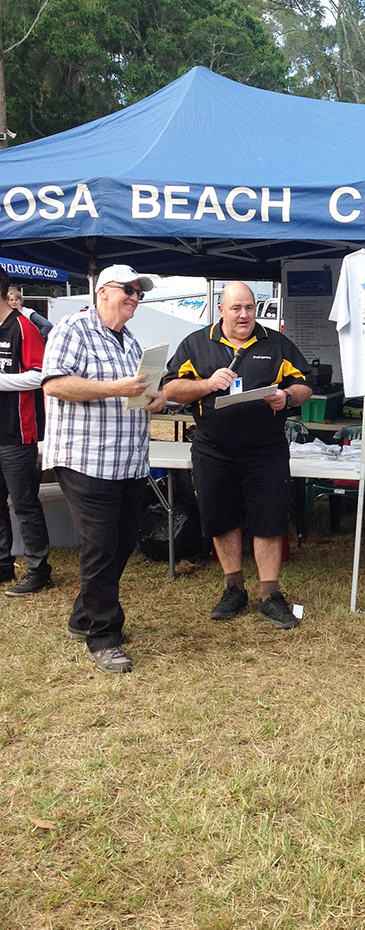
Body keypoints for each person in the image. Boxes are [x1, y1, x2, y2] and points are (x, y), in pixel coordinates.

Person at [162, 281, 313, 627]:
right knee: (221, 518)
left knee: (269, 518)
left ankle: (270, 595)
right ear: (221, 310)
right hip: (213, 450)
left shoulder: (275, 343)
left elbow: (305, 385)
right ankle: (234, 588)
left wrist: (287, 397)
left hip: (265, 450)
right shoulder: (197, 343)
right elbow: (170, 388)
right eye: (236, 308)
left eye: (249, 307)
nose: (244, 315)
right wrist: (206, 384)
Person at [42, 265, 166, 674]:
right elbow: (55, 384)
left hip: (127, 462)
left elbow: (136, 394)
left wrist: (154, 398)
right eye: (128, 289)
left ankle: (83, 617)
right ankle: (103, 637)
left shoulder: (130, 341)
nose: (134, 297)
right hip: (86, 459)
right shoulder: (73, 329)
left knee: (123, 542)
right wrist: (117, 388)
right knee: (100, 547)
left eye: (139, 293)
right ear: (103, 292)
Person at [0, 267, 52, 595]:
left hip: (18, 431)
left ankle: (38, 569)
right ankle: (3, 564)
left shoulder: (23, 326)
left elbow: (41, 375)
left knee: (24, 503)